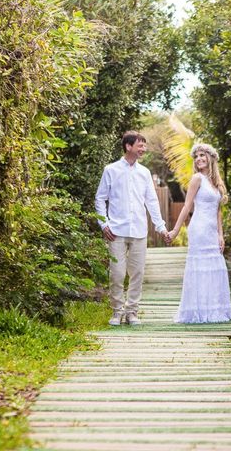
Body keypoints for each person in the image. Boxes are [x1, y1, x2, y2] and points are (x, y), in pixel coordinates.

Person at [95, 131, 170, 326]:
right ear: (128, 146)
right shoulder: (111, 170)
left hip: (139, 230)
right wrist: (104, 224)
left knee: (137, 273)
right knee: (117, 273)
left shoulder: (144, 173)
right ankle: (117, 311)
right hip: (116, 231)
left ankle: (132, 312)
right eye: (140, 145)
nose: (143, 149)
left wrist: (161, 227)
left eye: (144, 145)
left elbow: (151, 201)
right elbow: (100, 198)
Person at [168, 143, 231, 323]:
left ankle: (214, 310)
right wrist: (175, 230)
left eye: (202, 155)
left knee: (214, 267)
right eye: (196, 156)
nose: (198, 159)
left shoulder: (216, 182)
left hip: (212, 230)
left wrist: (221, 234)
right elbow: (187, 205)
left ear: (210, 158)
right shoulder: (197, 178)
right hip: (199, 228)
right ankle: (198, 312)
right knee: (200, 268)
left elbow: (218, 211)